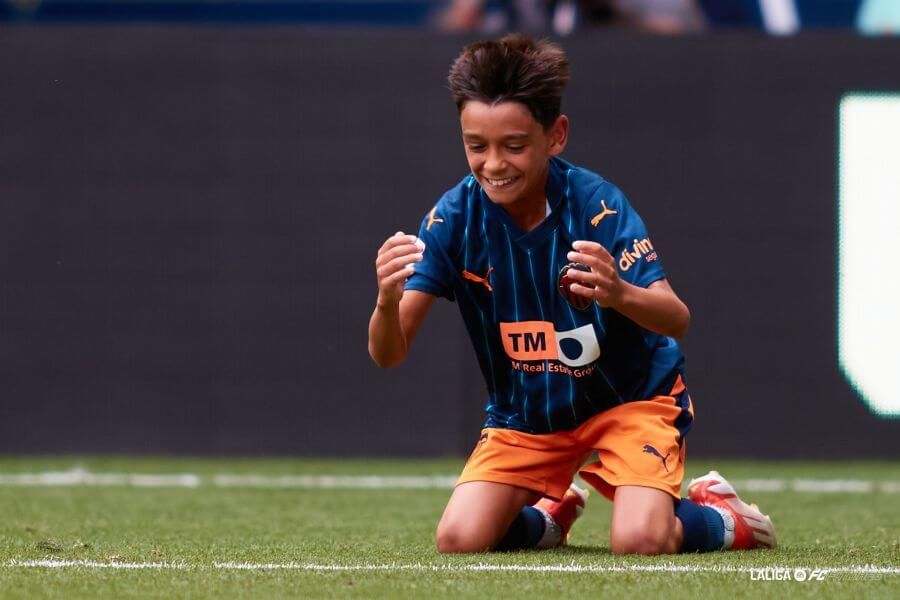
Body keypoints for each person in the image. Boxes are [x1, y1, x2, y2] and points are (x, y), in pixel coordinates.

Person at [368, 34, 776, 554]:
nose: (494, 164)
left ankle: (725, 518)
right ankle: (548, 519)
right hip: (527, 418)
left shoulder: (597, 205)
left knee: (640, 541)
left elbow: (676, 318)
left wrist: (617, 291)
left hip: (630, 400)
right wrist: (385, 299)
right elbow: (388, 353)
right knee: (458, 539)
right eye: (477, 146)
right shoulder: (452, 218)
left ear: (555, 135)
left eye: (514, 146)